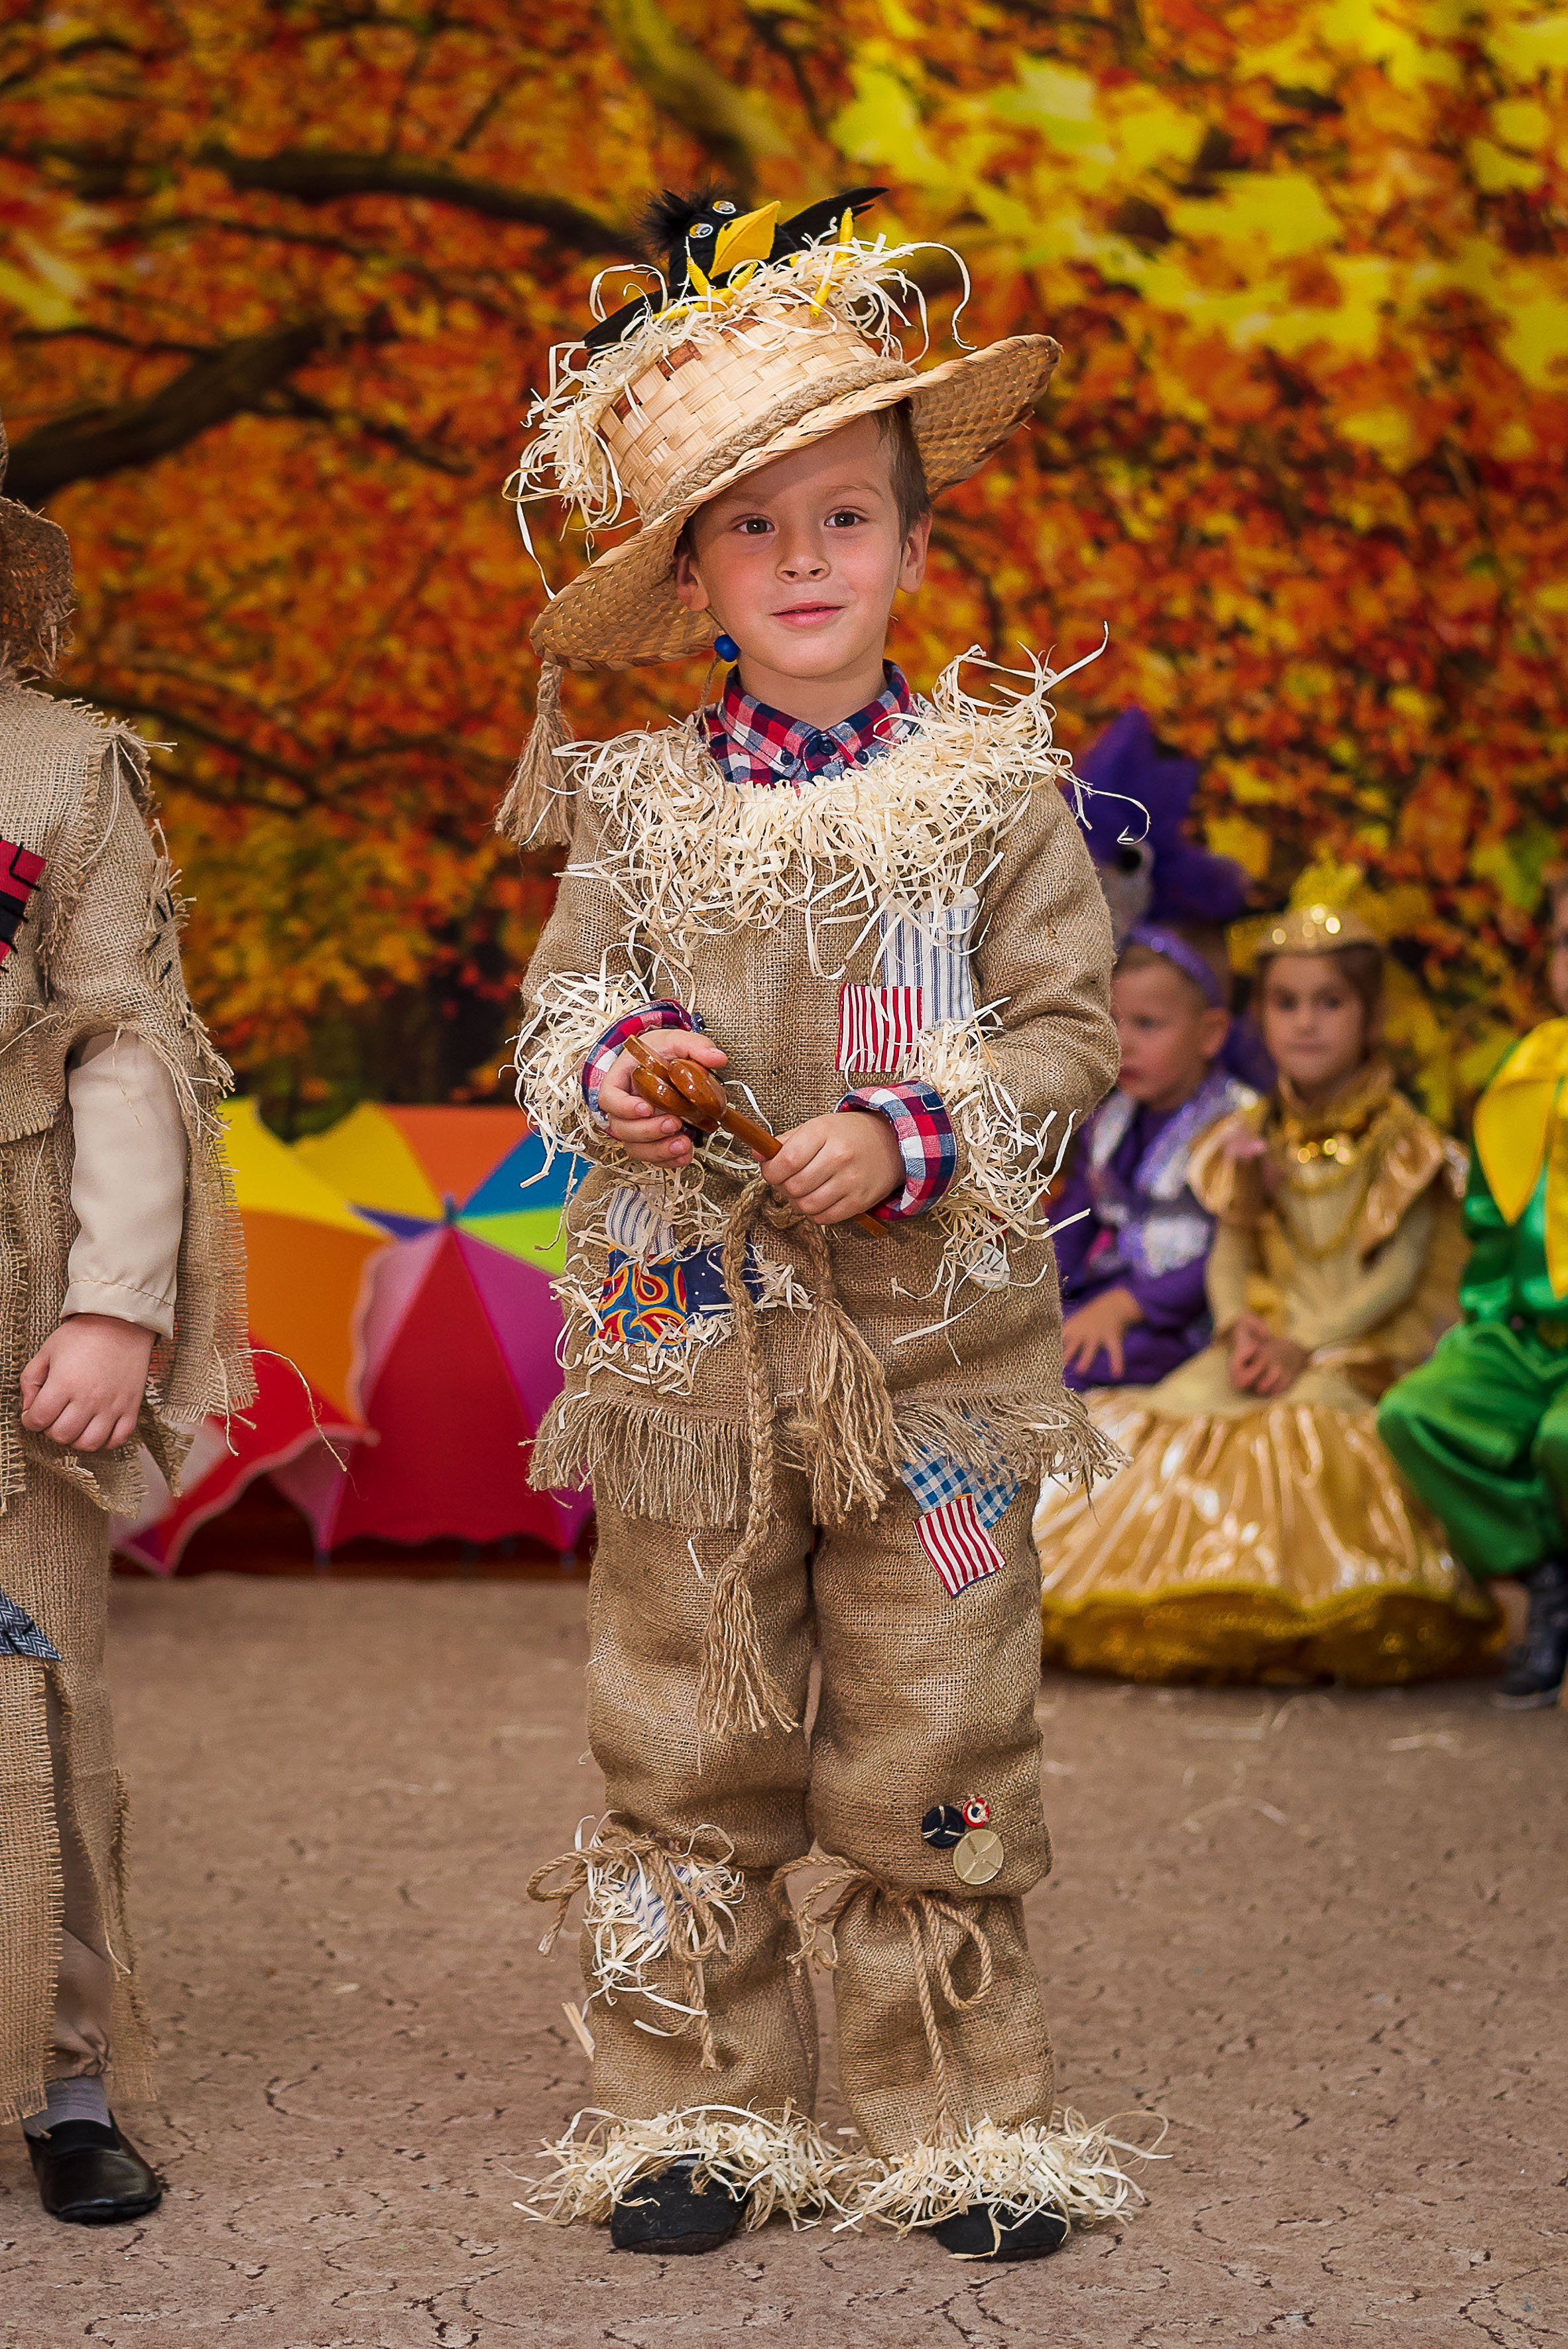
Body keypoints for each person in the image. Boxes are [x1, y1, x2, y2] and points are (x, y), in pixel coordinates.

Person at [504, 193, 1132, 2257]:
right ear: (688, 573)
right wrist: (611, 1070)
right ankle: (686, 2104)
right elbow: (568, 1007)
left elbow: (1060, 1026)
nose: (801, 562)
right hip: (690, 1368)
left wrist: (909, 1125)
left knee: (939, 1718)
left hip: (940, 1380)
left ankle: (955, 2105)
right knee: (683, 1725)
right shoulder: (638, 808)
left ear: (913, 545)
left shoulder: (990, 792)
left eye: (842, 518)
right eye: (753, 529)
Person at [0, 420, 251, 2219]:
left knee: (31, 1681)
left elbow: (127, 1039)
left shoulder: (62, 771)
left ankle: (62, 2068)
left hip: (14, 1285)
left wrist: (113, 1300)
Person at [1035, 903, 1498, 1685]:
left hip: (1348, 1345)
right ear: (1260, 1018)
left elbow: (1394, 1275)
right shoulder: (1247, 1136)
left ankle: (1306, 1598)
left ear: (1371, 1017)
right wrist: (1239, 1331)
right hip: (1259, 1332)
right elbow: (1230, 1250)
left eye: (1329, 1003)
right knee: (1162, 1422)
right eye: (1285, 1004)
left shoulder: (1404, 1141)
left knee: (1306, 1438)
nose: (1305, 1025)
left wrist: (1302, 1345)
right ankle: (1164, 1588)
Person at [1378, 868, 1568, 1707]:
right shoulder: (1526, 1073)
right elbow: (1494, 1217)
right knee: (1417, 1413)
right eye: (1565, 942)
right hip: (1527, 1330)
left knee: (1563, 1441)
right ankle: (1543, 1575)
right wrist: (1486, 1319)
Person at [1052, 924, 1256, 1393]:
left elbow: (1232, 1256)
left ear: (1210, 1034)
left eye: (1146, 1024)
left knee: (1073, 1365)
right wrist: (1038, 1285)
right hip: (1111, 1291)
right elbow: (1078, 1214)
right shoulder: (1111, 1116)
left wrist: (1126, 1305)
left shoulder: (1238, 1128)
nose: (1124, 1043)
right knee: (1013, 1339)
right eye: (1114, 1021)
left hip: (1185, 1314)